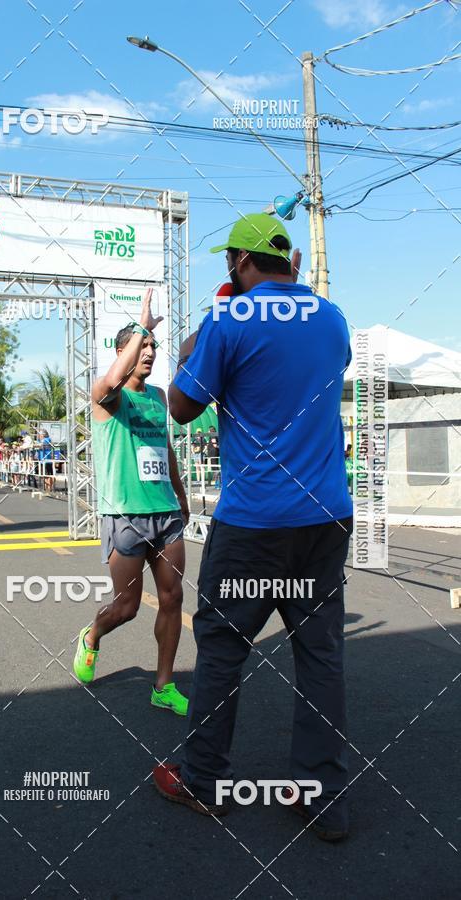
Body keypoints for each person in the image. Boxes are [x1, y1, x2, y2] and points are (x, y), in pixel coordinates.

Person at [153, 213, 354, 841]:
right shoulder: (332, 316)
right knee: (319, 651)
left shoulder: (225, 320)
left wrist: (192, 348)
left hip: (254, 520)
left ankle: (204, 779)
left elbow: (183, 408)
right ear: (289, 261)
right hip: (325, 514)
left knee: (220, 647)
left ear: (239, 263)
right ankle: (319, 796)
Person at [73, 289, 190, 716]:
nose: (150, 352)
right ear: (122, 352)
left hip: (165, 514)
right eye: (142, 347)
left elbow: (165, 448)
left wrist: (180, 495)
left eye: (154, 347)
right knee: (126, 607)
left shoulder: (158, 397)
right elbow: (108, 382)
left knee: (173, 597)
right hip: (125, 516)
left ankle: (163, 685)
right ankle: (92, 636)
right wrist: (142, 326)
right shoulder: (108, 398)